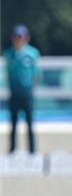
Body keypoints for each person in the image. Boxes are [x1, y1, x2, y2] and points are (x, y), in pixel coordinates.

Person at [4, 24, 40, 154]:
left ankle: (32, 151)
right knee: (13, 125)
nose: (18, 39)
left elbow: (36, 74)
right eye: (16, 37)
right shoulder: (9, 54)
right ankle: (12, 151)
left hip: (27, 93)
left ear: (26, 38)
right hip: (14, 93)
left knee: (29, 124)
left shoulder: (32, 54)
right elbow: (8, 74)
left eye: (20, 37)